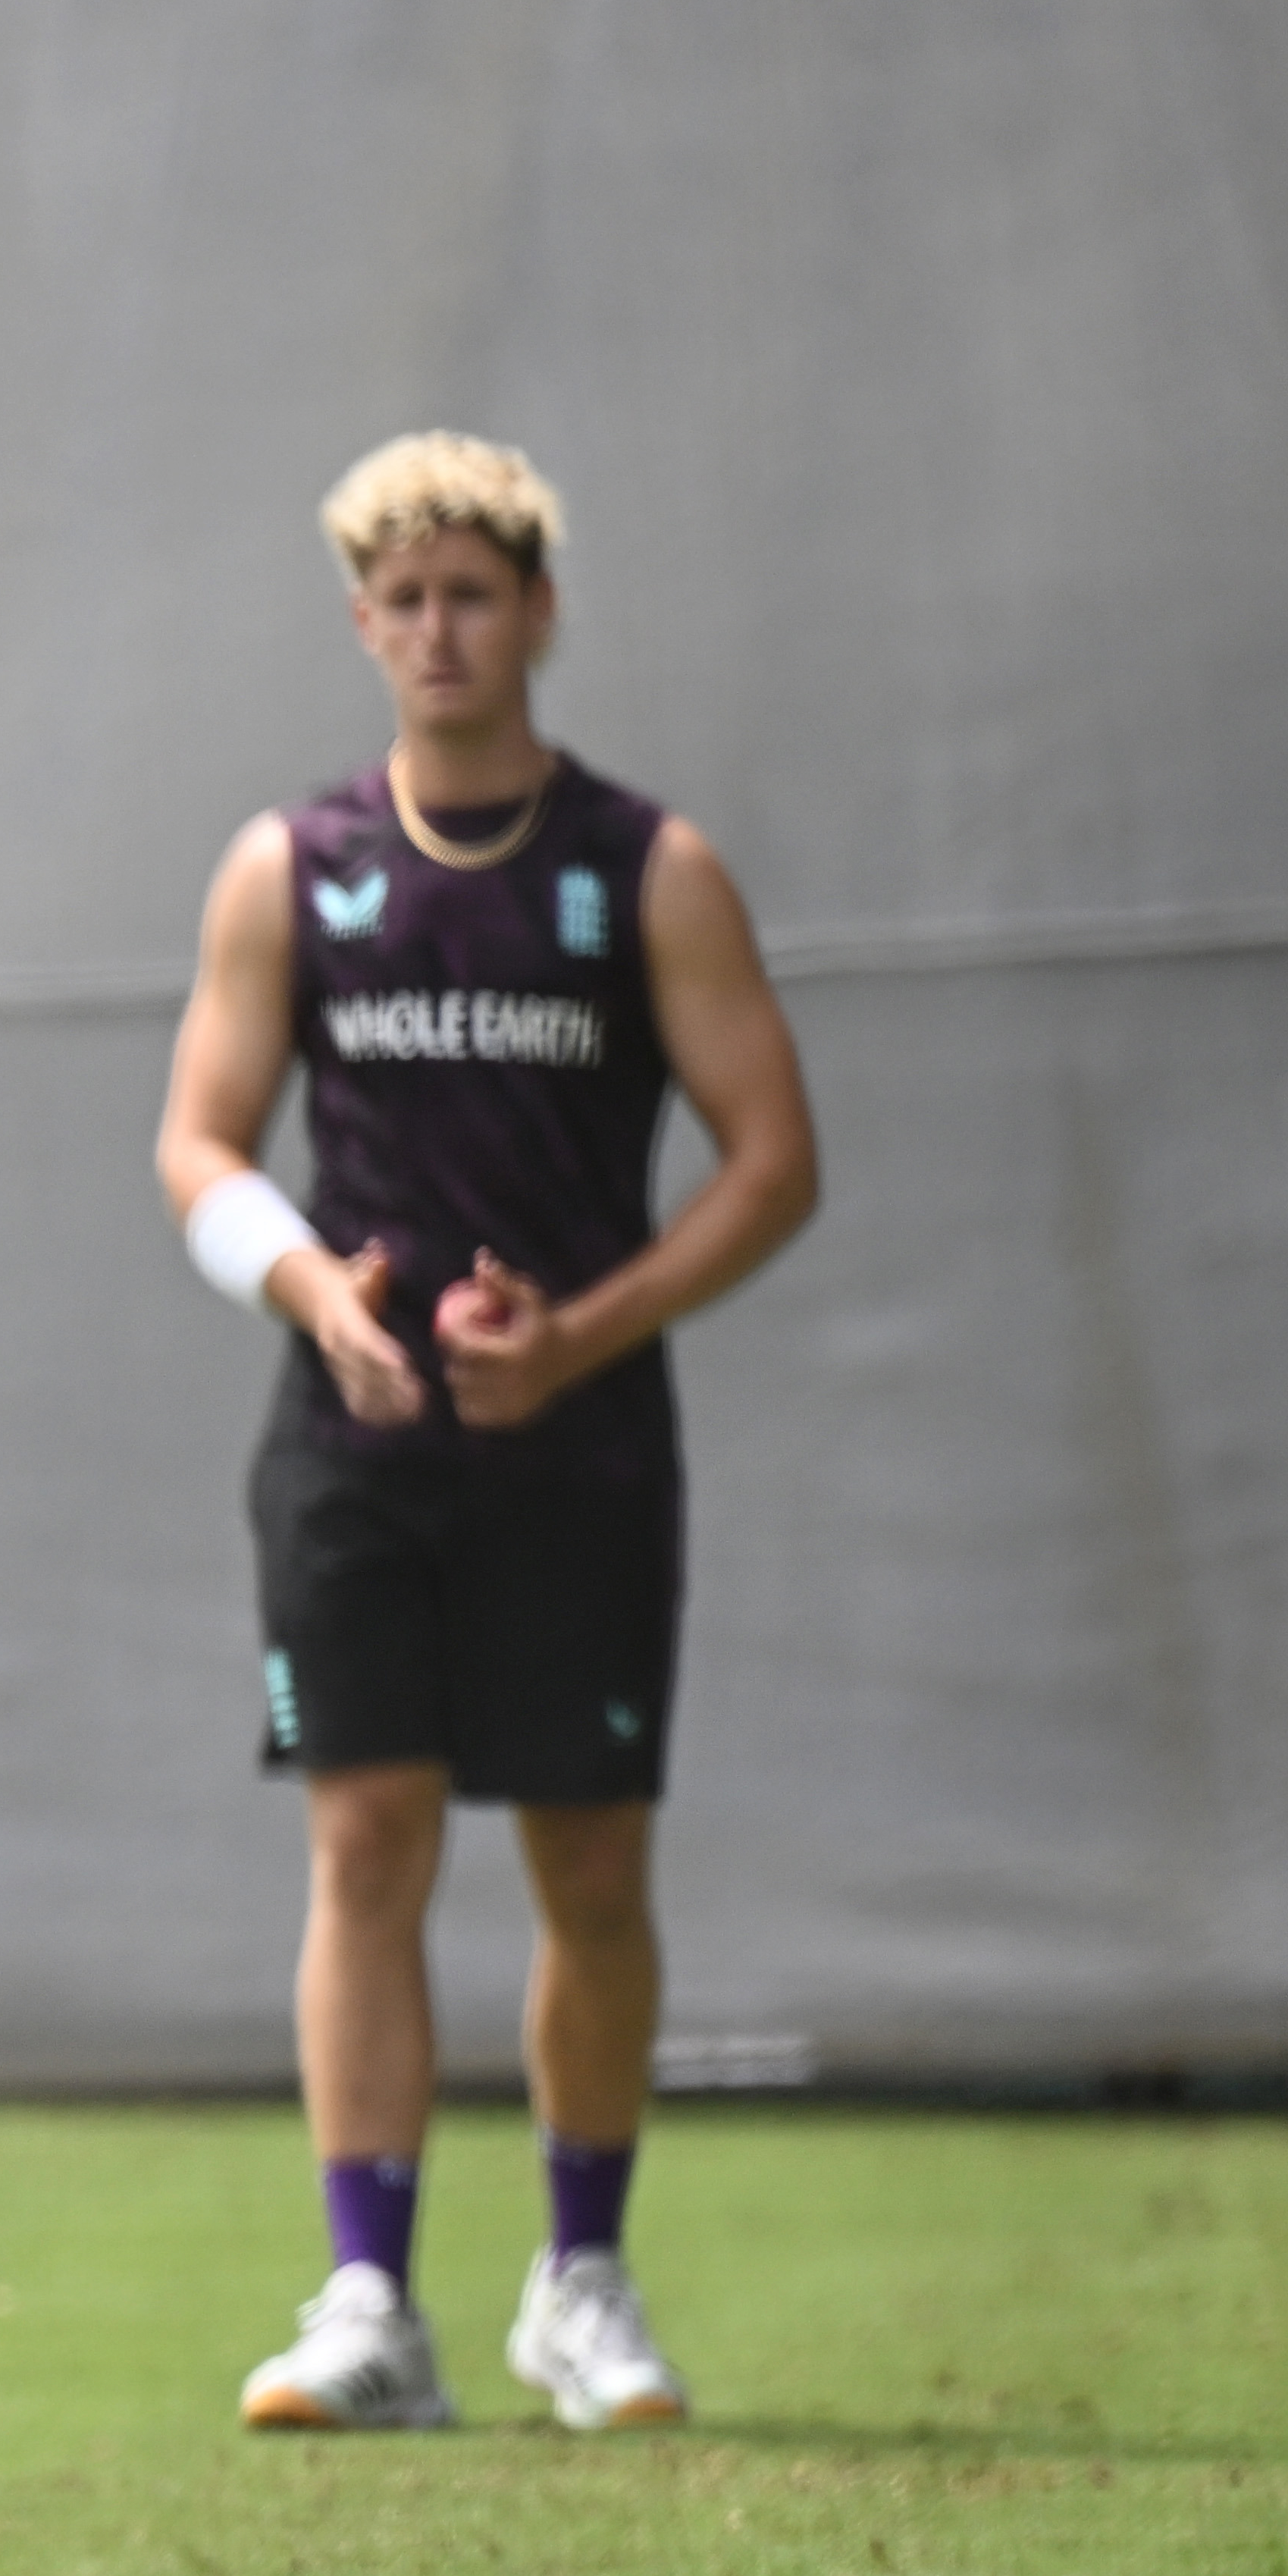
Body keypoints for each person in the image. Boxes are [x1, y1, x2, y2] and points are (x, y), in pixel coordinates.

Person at [152, 432, 819, 2433]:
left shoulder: (645, 870)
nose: (439, 629)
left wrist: (580, 1336)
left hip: (581, 1450)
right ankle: (371, 2305)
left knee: (592, 1868)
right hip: (355, 1449)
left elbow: (772, 1162)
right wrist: (314, 1291)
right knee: (365, 1843)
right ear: (364, 624)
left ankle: (580, 2283)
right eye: (404, 597)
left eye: (475, 592)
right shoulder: (297, 866)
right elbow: (198, 1143)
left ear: (537, 612)